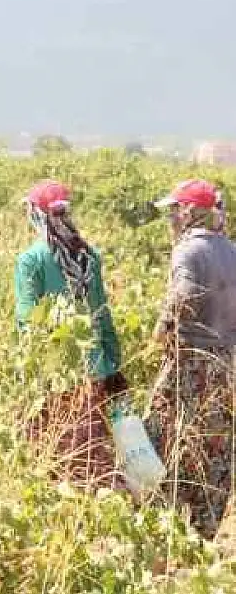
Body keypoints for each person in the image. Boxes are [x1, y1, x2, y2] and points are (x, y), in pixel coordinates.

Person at [14, 180, 126, 491]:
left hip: (56, 373)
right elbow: (101, 312)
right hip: (95, 368)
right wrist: (113, 365)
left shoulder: (31, 260)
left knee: (54, 460)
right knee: (92, 456)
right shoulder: (90, 255)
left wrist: (27, 370)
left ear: (36, 214)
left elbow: (27, 322)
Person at [147, 179, 236, 540]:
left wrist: (161, 332)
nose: (170, 218)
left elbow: (182, 298)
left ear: (188, 213)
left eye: (173, 210)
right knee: (215, 445)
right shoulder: (231, 251)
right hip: (227, 366)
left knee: (166, 438)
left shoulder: (189, 251)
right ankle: (203, 533)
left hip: (191, 363)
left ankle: (163, 529)